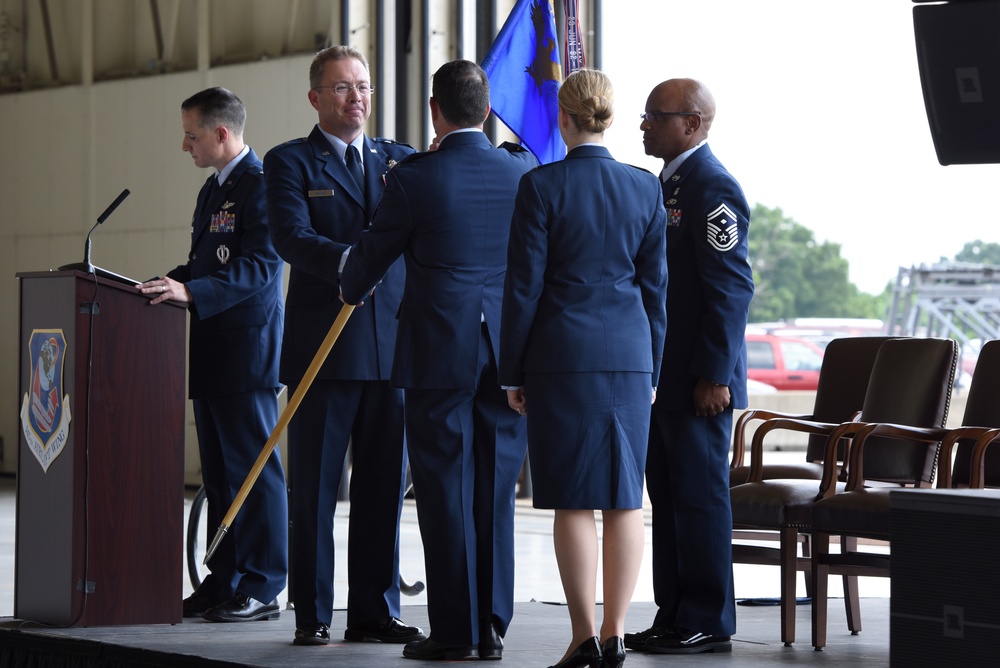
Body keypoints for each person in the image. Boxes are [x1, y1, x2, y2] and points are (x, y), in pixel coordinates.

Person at [339, 59, 536, 662]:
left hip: (437, 352)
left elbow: (362, 269)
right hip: (507, 353)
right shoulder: (523, 173)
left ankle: (457, 630)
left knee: (445, 488)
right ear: (486, 111)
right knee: (496, 491)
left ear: (434, 111)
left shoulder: (415, 178)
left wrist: (348, 283)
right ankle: (494, 624)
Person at [498, 69, 668, 668]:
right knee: (625, 498)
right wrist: (653, 370)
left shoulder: (540, 187)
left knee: (573, 499)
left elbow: (523, 289)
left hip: (561, 357)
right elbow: (656, 292)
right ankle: (619, 633)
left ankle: (583, 637)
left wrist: (511, 371)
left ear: (563, 120)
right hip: (629, 355)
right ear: (610, 118)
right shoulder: (645, 188)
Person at [263, 46, 421, 647]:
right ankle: (313, 611)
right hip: (324, 352)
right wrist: (352, 262)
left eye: (363, 86)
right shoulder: (289, 163)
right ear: (315, 98)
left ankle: (375, 611)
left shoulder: (399, 161)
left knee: (383, 489)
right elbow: (290, 237)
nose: (356, 97)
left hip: (391, 349)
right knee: (315, 491)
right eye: (340, 88)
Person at [139, 87, 287, 622]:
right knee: (221, 474)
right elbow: (204, 264)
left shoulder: (262, 186)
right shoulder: (212, 191)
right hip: (210, 352)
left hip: (247, 352)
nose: (186, 145)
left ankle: (263, 585)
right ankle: (223, 581)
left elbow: (260, 267)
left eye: (191, 134)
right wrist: (165, 283)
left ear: (221, 134)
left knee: (255, 469)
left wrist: (191, 294)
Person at [624, 78, 754, 654]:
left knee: (700, 499)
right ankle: (674, 612)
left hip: (700, 380)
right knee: (670, 499)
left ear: (692, 124)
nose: (645, 124)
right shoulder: (668, 184)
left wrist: (716, 375)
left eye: (656, 116)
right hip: (665, 377)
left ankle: (707, 617)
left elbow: (731, 289)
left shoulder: (712, 187)